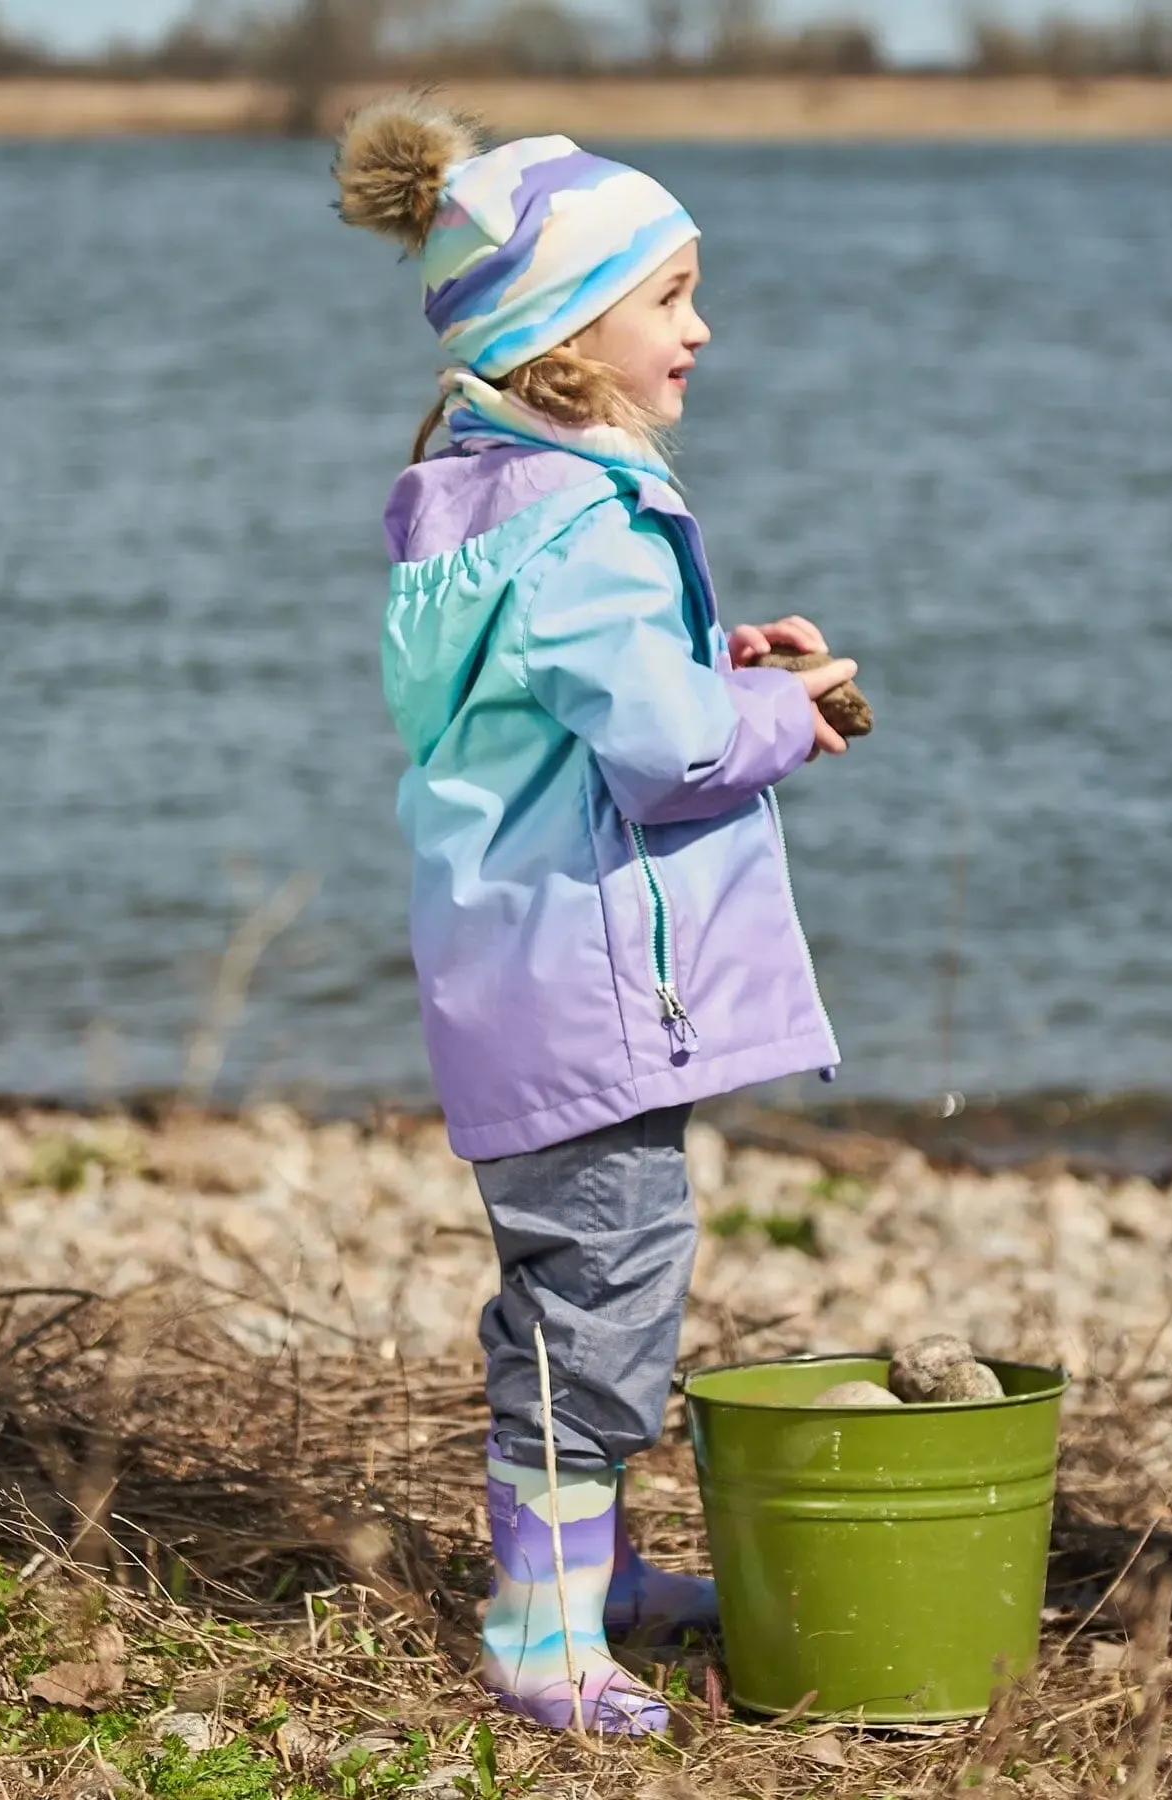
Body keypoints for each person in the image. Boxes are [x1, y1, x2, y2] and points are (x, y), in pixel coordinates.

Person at [333, 94, 860, 1735]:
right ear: (570, 333)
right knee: (603, 1301)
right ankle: (543, 1638)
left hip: (520, 972)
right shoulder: (590, 525)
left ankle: (589, 1578)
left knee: (580, 1280)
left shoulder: (492, 506)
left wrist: (720, 666)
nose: (701, 327)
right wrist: (790, 718)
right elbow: (665, 744)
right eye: (671, 297)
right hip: (585, 991)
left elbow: (587, 711)